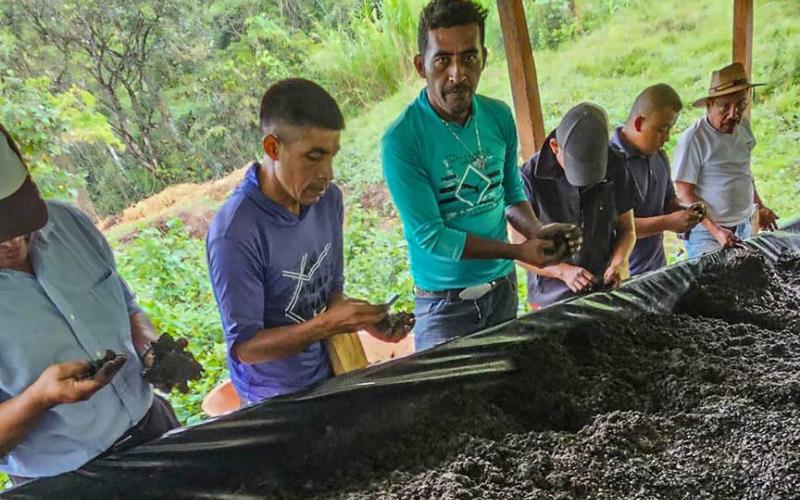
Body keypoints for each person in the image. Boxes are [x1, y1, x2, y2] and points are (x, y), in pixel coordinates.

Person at [381, 0, 580, 350]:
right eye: (443, 60)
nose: (457, 74)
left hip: (502, 291)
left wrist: (537, 231)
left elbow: (510, 193)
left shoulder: (498, 117)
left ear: (484, 58)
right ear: (420, 65)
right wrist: (517, 252)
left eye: (469, 58)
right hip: (444, 306)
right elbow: (433, 237)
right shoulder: (402, 140)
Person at [0, 124, 179, 485]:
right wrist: (40, 398)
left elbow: (125, 303)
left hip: (153, 428)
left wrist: (150, 347)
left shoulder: (69, 224)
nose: (10, 240)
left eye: (15, 220)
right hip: (66, 482)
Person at [207, 79, 398, 405]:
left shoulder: (327, 200)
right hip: (275, 399)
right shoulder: (235, 233)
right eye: (313, 156)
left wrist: (365, 321)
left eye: (331, 156)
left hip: (331, 370)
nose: (327, 173)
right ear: (273, 148)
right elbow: (245, 348)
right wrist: (324, 326)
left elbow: (331, 290)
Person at [514, 103, 641, 308]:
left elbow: (627, 229)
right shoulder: (528, 178)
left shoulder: (615, 163)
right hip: (552, 298)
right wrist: (562, 271)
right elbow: (520, 251)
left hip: (604, 287)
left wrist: (619, 262)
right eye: (575, 167)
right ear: (555, 147)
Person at [673, 62, 779, 258]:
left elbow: (744, 172)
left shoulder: (743, 126)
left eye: (741, 105)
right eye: (724, 106)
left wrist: (759, 206)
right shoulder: (694, 139)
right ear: (709, 104)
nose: (733, 114)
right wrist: (716, 231)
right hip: (707, 234)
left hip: (744, 226)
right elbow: (685, 194)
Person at [610, 83, 706, 276]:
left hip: (657, 266)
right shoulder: (609, 164)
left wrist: (686, 210)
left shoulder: (658, 156)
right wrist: (668, 222)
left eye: (670, 129)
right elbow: (617, 227)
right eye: (662, 129)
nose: (667, 137)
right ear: (639, 123)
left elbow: (668, 201)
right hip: (623, 273)